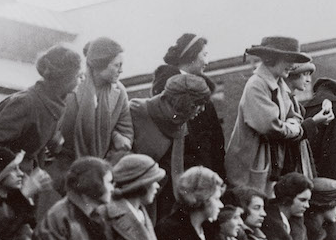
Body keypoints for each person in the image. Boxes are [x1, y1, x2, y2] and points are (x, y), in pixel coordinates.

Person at [225, 36, 309, 194]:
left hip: (270, 166)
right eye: (289, 59)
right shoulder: (256, 84)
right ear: (272, 58)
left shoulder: (279, 84)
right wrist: (295, 129)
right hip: (250, 168)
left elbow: (295, 116)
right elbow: (270, 126)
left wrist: (292, 125)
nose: (293, 65)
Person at [0, 44, 83, 170]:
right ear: (64, 78)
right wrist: (12, 171)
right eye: (79, 76)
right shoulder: (25, 103)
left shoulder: (56, 102)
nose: (82, 80)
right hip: (11, 173)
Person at [130, 73, 213, 220]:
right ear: (182, 102)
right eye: (197, 104)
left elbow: (176, 172)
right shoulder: (136, 110)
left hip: (155, 196)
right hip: (130, 192)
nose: (202, 110)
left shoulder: (179, 124)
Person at [53, 37, 133, 185]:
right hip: (61, 167)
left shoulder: (120, 92)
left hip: (99, 171)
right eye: (117, 65)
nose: (121, 70)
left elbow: (126, 133)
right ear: (100, 64)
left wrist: (104, 168)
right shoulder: (72, 84)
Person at [151, 33, 226, 180]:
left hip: (204, 166)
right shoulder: (166, 89)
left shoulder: (200, 87)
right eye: (204, 55)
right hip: (183, 169)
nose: (207, 61)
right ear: (191, 55)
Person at [261, 171, 313, 240]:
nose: (307, 206)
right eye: (302, 200)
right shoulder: (267, 221)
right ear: (288, 198)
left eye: (308, 201)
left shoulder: (298, 223)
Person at [284, 61, 321, 178]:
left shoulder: (296, 104)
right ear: (292, 74)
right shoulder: (284, 101)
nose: (309, 80)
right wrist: (314, 122)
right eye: (305, 74)